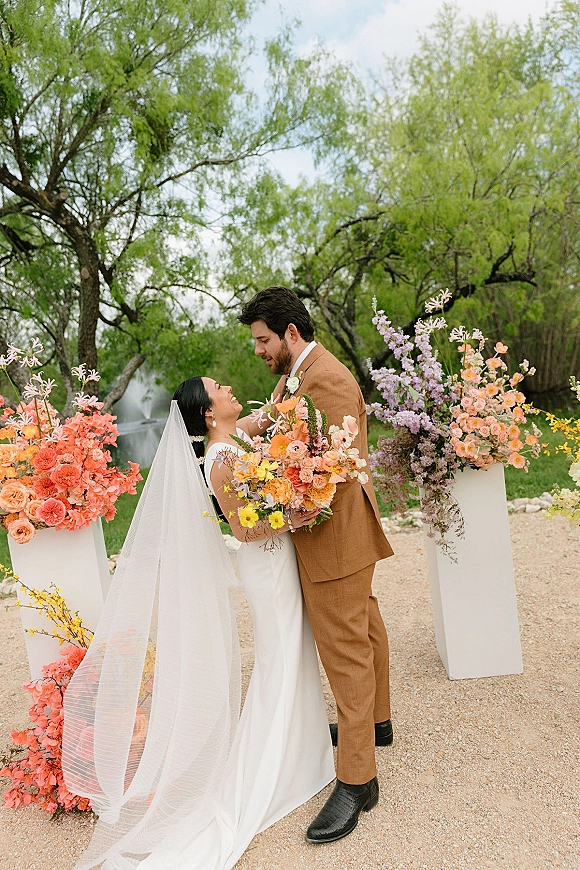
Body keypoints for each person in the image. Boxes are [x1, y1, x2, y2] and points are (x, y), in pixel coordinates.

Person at [62, 377, 334, 870]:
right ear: (208, 413)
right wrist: (305, 510)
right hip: (265, 564)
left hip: (277, 563)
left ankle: (304, 748)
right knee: (279, 657)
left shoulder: (236, 439)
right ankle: (278, 765)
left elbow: (268, 414)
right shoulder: (220, 460)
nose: (232, 387)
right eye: (220, 387)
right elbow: (245, 527)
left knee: (293, 653)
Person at [238, 286, 394, 844]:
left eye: (262, 340)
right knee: (365, 624)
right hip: (342, 534)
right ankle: (376, 724)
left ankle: (358, 780)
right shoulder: (297, 374)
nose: (258, 350)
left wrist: (263, 498)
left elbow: (325, 472)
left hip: (336, 538)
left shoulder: (324, 380)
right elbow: (281, 425)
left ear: (291, 334)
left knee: (345, 650)